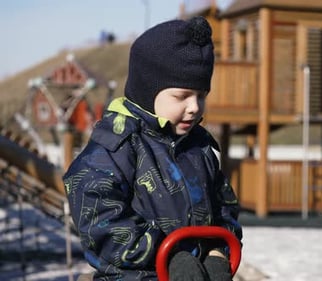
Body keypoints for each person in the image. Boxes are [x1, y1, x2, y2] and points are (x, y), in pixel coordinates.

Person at [63, 16, 242, 281]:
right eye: (181, 96)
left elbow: (225, 206)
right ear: (148, 91)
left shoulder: (199, 146)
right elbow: (100, 220)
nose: (194, 107)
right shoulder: (118, 145)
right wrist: (166, 254)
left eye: (201, 95)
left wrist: (218, 251)